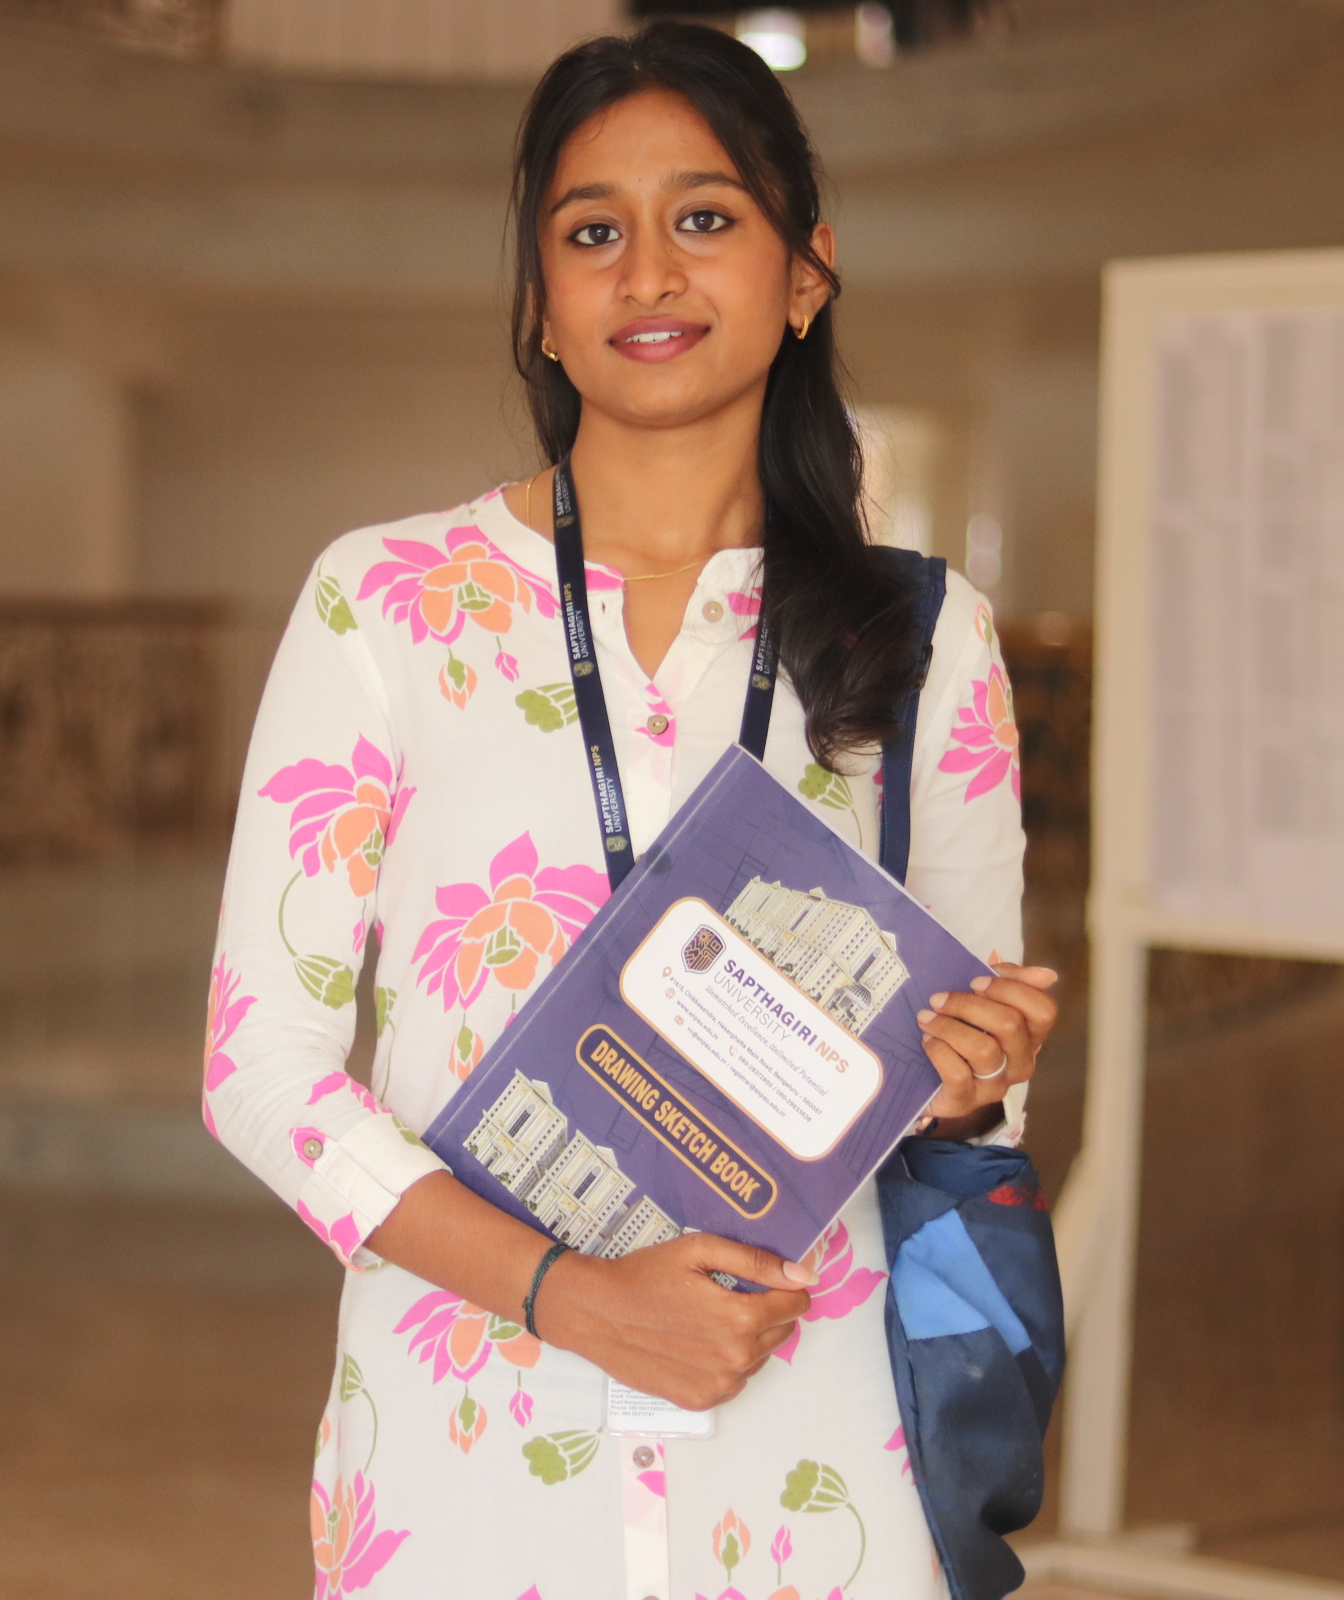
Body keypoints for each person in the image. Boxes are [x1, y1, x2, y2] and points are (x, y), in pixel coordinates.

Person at [203, 21, 1058, 1599]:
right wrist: (571, 1296)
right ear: (541, 303)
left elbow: (961, 1090)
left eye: (705, 218)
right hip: (470, 1439)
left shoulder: (927, 640)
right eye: (593, 232)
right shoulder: (385, 606)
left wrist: (974, 1078)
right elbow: (260, 1073)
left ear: (807, 270)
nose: (649, 272)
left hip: (814, 1449)